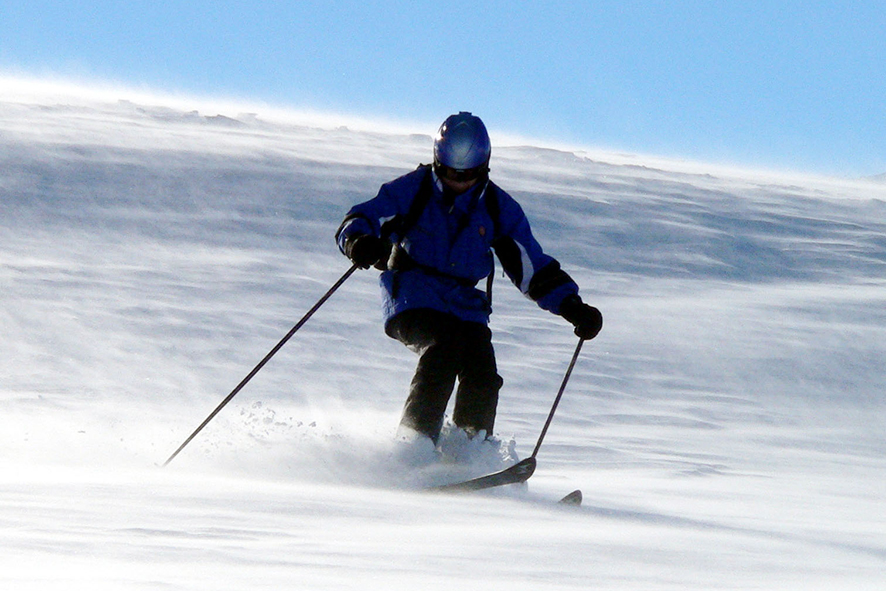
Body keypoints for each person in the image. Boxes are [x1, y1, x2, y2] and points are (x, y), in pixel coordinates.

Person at [336, 112, 602, 445]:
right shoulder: (413, 189)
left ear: (484, 167)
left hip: (465, 306)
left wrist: (571, 306)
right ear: (437, 162)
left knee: (483, 375)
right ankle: (413, 445)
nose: (458, 182)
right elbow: (361, 218)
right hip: (413, 295)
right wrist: (359, 242)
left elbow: (530, 266)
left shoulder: (497, 208)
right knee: (442, 351)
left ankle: (467, 453)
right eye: (449, 173)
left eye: (469, 175)